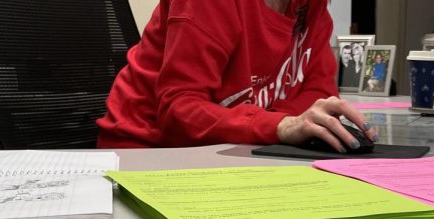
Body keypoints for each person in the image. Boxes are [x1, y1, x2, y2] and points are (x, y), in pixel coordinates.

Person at [97, 0, 377, 152]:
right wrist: (279, 125)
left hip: (239, 150)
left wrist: (281, 123)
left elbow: (319, 97)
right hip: (148, 153)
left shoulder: (312, 8)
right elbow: (179, 111)